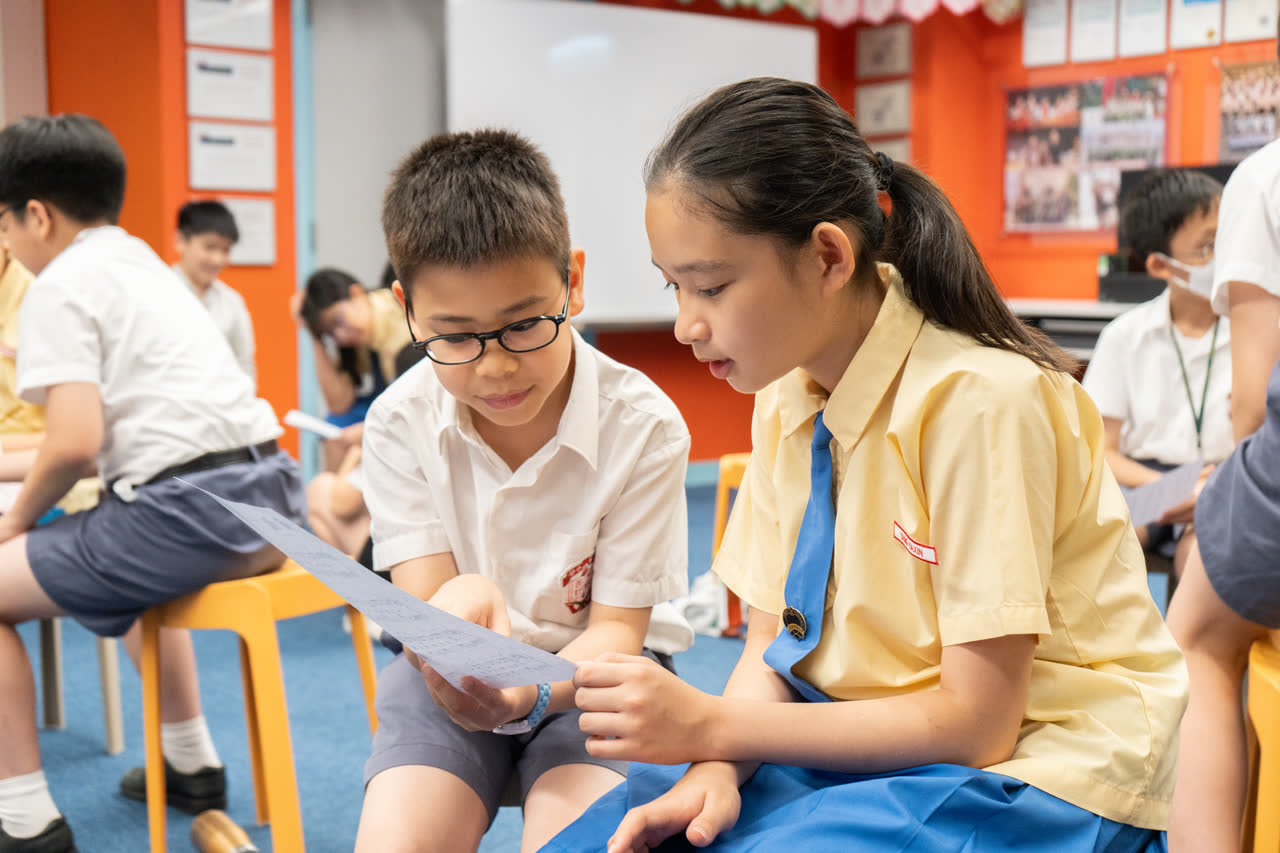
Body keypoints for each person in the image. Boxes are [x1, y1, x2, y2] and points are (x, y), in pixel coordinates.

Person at [550, 77, 1187, 853]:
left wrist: (716, 724)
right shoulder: (785, 390)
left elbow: (978, 724)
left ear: (828, 256)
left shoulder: (981, 402)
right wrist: (716, 763)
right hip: (856, 732)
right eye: (674, 286)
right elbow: (770, 649)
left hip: (1040, 762)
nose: (686, 323)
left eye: (711, 286)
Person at [353, 128, 694, 853]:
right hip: (448, 683)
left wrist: (531, 690)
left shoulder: (644, 426)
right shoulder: (398, 421)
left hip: (598, 678)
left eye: (525, 325)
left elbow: (617, 633)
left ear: (574, 281)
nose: (496, 367)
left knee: (581, 841)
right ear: (407, 310)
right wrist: (455, 626)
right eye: (455, 336)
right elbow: (428, 614)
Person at [0, 114, 304, 852]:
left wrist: (13, 522)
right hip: (271, 497)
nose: (6, 242)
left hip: (187, 518)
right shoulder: (147, 269)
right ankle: (191, 761)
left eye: (4, 225)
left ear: (36, 215)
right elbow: (102, 446)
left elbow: (74, 445)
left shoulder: (57, 284)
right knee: (124, 564)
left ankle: (25, 819)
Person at [1166, 134, 1280, 853]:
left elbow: (1252, 409)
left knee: (1195, 642)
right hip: (1179, 483)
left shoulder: (1264, 177)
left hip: (1244, 493)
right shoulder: (1129, 338)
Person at [1081, 169, 1232, 582]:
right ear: (1161, 265)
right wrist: (1172, 489)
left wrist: (1202, 488)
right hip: (1143, 479)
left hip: (1224, 478)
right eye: (1208, 246)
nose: (1224, 255)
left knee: (1203, 558)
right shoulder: (1125, 336)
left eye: (1228, 238)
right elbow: (1100, 450)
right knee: (1098, 546)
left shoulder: (1253, 333)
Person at [291, 266, 411, 470]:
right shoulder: (358, 340)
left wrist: (368, 429)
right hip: (391, 409)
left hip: (413, 413)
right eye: (330, 333)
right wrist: (313, 335)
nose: (341, 335)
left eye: (339, 321)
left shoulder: (403, 317)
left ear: (356, 293)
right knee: (336, 426)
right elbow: (339, 405)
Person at [172, 200, 256, 384]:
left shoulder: (232, 302)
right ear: (180, 241)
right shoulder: (159, 293)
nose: (217, 259)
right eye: (209, 247)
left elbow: (244, 365)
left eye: (226, 250)